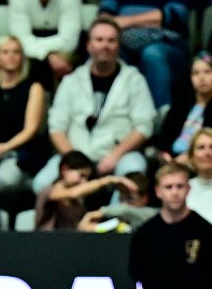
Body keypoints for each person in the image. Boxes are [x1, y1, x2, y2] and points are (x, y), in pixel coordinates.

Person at [34, 19, 155, 198]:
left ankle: (112, 215)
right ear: (88, 45)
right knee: (41, 184)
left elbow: (144, 126)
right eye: (99, 40)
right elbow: (56, 127)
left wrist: (115, 155)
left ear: (118, 46)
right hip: (74, 154)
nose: (105, 45)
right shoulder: (71, 81)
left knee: (133, 174)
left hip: (119, 155)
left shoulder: (134, 80)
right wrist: (74, 161)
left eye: (111, 40)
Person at [128, 162, 212, 289]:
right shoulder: (144, 234)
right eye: (168, 187)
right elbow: (137, 276)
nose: (174, 192)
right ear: (158, 191)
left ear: (188, 189)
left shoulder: (206, 232)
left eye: (180, 186)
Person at [0, 36, 47, 205]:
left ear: (22, 58)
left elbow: (31, 129)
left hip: (19, 151)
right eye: (5, 52)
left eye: (16, 52)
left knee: (4, 181)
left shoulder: (34, 88)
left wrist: (4, 147)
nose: (11, 56)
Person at [98, 0, 195, 109]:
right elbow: (105, 12)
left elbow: (175, 14)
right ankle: (106, 114)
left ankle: (161, 115)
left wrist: (126, 21)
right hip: (123, 40)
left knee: (152, 54)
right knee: (104, 50)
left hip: (167, 43)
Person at [151, 53, 212, 168]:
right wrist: (164, 153)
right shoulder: (182, 101)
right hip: (172, 159)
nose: (201, 78)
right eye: (196, 73)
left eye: (207, 72)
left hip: (202, 161)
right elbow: (165, 134)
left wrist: (189, 157)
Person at [34, 149, 130, 231]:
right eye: (81, 175)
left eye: (87, 178)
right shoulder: (48, 191)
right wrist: (107, 180)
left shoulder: (78, 204)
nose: (84, 182)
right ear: (65, 170)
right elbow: (73, 193)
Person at [9, 0, 82, 84]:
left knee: (64, 59)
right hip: (31, 52)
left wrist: (42, 50)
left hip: (61, 51)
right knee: (12, 54)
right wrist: (47, 55)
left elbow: (69, 41)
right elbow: (20, 40)